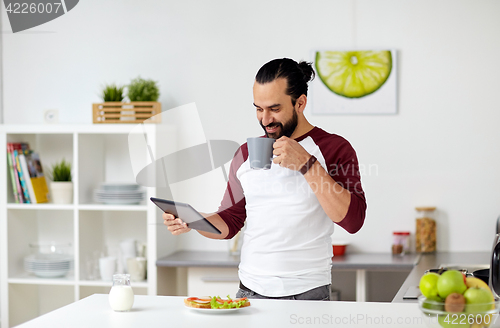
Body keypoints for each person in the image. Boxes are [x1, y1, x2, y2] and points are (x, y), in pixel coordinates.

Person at [163, 58, 366, 301]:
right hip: (249, 292)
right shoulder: (246, 153)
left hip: (306, 294)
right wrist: (193, 220)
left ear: (300, 103)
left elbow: (353, 221)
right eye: (259, 109)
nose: (265, 119)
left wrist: (307, 164)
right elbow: (231, 220)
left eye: (275, 108)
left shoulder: (334, 149)